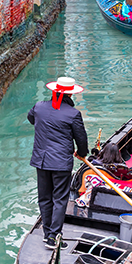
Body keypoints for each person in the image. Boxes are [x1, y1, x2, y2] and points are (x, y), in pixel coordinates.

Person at [28, 76, 89, 249]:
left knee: (45, 198)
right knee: (60, 199)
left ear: (54, 91)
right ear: (70, 93)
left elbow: (31, 118)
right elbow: (81, 139)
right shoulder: (73, 114)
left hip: (41, 161)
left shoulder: (39, 107)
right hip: (61, 163)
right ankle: (54, 236)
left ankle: (47, 234)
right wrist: (82, 153)